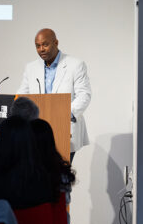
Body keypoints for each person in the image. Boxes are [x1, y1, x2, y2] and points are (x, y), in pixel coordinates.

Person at [17, 28, 92, 159]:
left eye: (45, 44)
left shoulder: (75, 65)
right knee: (39, 175)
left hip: (65, 129)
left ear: (56, 43)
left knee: (61, 176)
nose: (41, 49)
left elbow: (84, 95)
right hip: (37, 131)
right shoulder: (31, 68)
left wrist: (62, 115)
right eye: (38, 46)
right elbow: (22, 95)